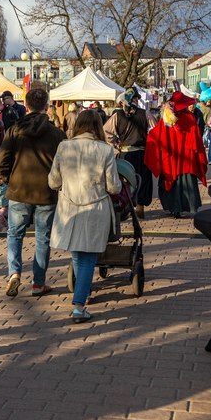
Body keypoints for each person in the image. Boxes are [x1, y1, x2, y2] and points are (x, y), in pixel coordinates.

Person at [48, 110, 121, 323]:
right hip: (95, 207)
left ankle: (84, 291)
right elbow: (114, 186)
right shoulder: (105, 150)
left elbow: (53, 181)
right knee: (88, 256)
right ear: (98, 126)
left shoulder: (64, 146)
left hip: (69, 207)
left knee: (77, 253)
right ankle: (79, 305)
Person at [0, 87, 65, 297]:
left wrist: (8, 178)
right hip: (46, 192)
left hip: (19, 189)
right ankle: (38, 283)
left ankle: (14, 273)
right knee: (43, 238)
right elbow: (64, 163)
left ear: (26, 105)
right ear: (47, 106)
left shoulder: (14, 130)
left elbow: (1, 160)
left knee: (15, 234)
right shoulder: (56, 133)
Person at [145, 91, 208, 218]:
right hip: (187, 161)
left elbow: (155, 135)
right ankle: (187, 206)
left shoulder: (166, 120)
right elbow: (197, 139)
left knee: (172, 184)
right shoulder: (189, 118)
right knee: (186, 182)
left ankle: (174, 209)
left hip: (171, 160)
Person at [103, 88, 151, 218]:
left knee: (126, 181)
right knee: (142, 179)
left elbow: (106, 131)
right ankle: (139, 206)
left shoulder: (117, 115)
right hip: (141, 153)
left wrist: (115, 143)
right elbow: (155, 128)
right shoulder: (144, 113)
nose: (137, 100)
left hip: (125, 154)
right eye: (136, 98)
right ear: (133, 99)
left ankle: (129, 205)